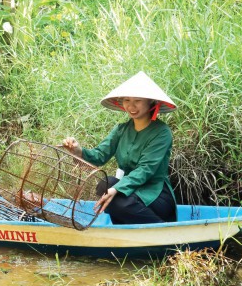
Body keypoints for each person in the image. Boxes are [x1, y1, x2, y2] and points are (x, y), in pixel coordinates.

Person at [62, 71, 177, 224]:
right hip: (131, 192)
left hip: (155, 195)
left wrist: (116, 189)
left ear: (150, 102)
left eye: (137, 100)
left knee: (115, 201)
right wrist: (77, 150)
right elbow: (99, 155)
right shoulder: (121, 130)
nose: (131, 106)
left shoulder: (162, 132)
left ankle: (162, 230)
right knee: (105, 184)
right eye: (127, 100)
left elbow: (145, 170)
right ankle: (129, 225)